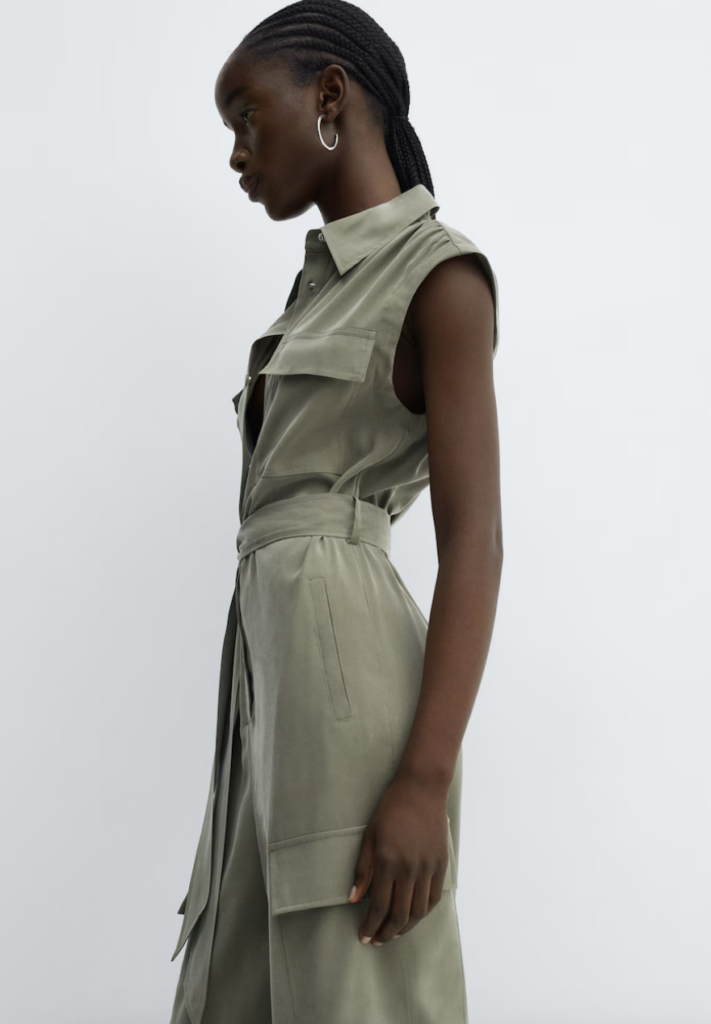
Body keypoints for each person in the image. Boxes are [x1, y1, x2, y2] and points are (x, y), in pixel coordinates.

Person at [168, 2, 502, 1022]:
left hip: (351, 687)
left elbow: (476, 544)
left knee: (354, 991)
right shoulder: (313, 294)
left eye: (245, 115)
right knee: (232, 983)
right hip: (264, 683)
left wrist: (424, 782)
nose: (236, 152)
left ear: (329, 95)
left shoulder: (439, 277)